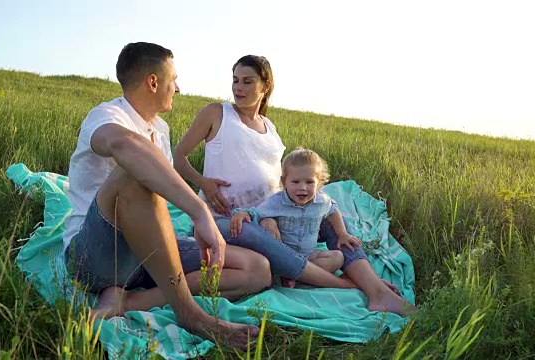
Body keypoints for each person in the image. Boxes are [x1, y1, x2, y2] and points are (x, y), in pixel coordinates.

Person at [63, 42, 270, 349]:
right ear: (153, 82)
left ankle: (131, 301)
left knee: (257, 269)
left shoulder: (160, 129)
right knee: (135, 172)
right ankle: (192, 315)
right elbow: (124, 146)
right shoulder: (106, 115)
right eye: (174, 79)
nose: (179, 88)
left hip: (147, 257)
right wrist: (200, 211)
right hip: (98, 255)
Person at [174, 55, 415, 316]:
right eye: (235, 81)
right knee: (249, 230)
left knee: (332, 221)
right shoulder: (217, 113)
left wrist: (273, 218)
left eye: (247, 81)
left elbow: (279, 184)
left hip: (272, 216)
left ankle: (372, 283)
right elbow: (178, 157)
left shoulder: (270, 129)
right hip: (226, 220)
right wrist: (204, 184)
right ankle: (354, 286)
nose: (238, 88)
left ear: (265, 86)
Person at [230, 148, 361, 288]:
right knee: (267, 223)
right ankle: (286, 273)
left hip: (308, 258)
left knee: (338, 257)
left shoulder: (321, 202)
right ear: (284, 182)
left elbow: (333, 211)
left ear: (319, 183)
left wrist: (342, 234)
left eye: (310, 182)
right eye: (296, 182)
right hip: (283, 257)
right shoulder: (276, 202)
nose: (303, 188)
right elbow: (256, 213)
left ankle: (299, 277)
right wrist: (241, 213)